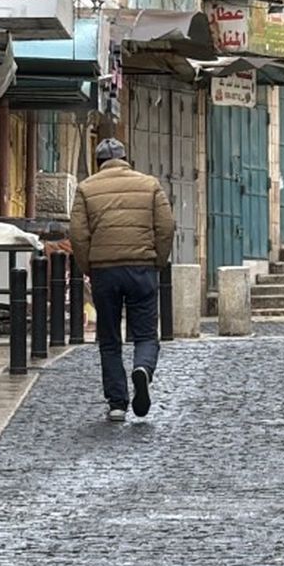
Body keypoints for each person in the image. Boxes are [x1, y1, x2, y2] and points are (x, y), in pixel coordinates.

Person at [70, 138, 176, 421]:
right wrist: (158, 260)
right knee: (145, 334)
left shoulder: (86, 188)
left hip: (104, 271)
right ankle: (142, 368)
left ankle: (117, 403)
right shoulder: (150, 184)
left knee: (109, 339)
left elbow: (78, 235)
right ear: (127, 159)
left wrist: (88, 267)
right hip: (141, 267)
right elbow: (166, 226)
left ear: (98, 163)